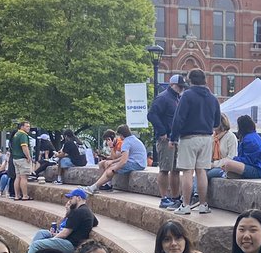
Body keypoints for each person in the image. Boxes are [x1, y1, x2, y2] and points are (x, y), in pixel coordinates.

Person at [169, 68, 220, 215]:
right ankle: (203, 204)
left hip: (189, 137)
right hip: (206, 138)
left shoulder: (187, 95)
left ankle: (185, 205)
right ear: (205, 80)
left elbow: (178, 118)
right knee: (201, 171)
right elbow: (217, 121)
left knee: (187, 171)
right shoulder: (213, 98)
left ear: (190, 81)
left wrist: (173, 138)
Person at [16, 187, 98, 253]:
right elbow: (95, 222)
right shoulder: (87, 211)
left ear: (78, 198)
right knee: (42, 233)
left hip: (71, 244)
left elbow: (65, 234)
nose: (69, 201)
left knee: (37, 245)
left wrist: (51, 239)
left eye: (71, 198)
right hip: (69, 241)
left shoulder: (78, 212)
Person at [147, 74, 186, 209]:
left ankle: (175, 197)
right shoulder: (163, 98)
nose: (181, 89)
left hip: (174, 138)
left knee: (175, 169)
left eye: (182, 87)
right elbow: (151, 114)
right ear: (171, 85)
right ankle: (164, 198)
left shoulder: (177, 98)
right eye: (179, 86)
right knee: (164, 169)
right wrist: (162, 131)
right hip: (166, 139)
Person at [86, 123, 147, 193]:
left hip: (136, 164)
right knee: (111, 167)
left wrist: (114, 169)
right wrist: (113, 162)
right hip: (139, 163)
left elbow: (123, 161)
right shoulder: (134, 139)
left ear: (121, 135)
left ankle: (94, 187)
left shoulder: (126, 142)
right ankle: (96, 186)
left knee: (110, 169)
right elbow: (124, 157)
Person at [217, 114, 261, 180]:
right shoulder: (253, 137)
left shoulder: (248, 140)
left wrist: (234, 160)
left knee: (228, 164)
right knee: (229, 165)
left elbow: (248, 160)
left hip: (259, 170)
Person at [207, 114, 238, 183]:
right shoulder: (212, 137)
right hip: (211, 166)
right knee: (200, 171)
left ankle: (196, 192)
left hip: (223, 167)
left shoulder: (231, 137)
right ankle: (195, 193)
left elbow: (232, 157)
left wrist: (214, 164)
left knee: (206, 174)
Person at [11, 119, 33, 200]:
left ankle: (17, 196)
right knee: (24, 177)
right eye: (27, 126)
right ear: (22, 127)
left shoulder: (16, 134)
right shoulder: (23, 135)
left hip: (15, 158)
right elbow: (24, 147)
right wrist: (28, 157)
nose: (28, 128)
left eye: (29, 126)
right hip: (22, 159)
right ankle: (25, 195)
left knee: (18, 177)